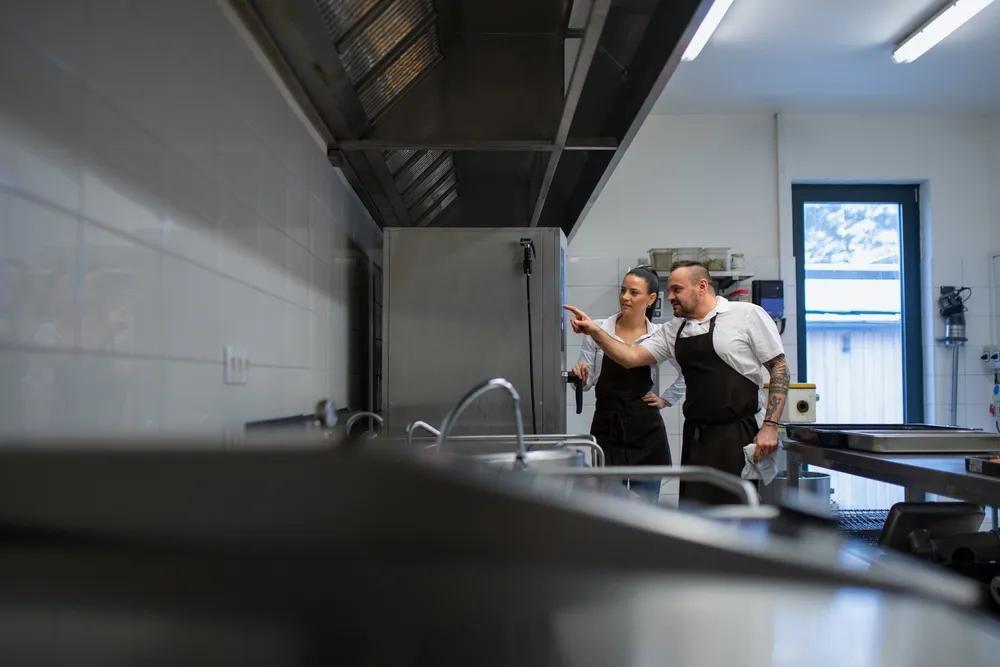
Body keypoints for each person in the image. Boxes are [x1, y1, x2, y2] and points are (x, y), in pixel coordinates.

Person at [564, 260, 789, 506]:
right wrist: (595, 331)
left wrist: (770, 426)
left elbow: (779, 368)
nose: (670, 296)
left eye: (676, 289)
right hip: (696, 436)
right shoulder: (674, 330)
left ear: (701, 286)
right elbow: (630, 358)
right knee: (694, 512)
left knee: (736, 511)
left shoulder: (745, 315)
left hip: (737, 433)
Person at [570, 266, 684, 504]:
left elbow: (689, 372)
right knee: (610, 507)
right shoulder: (598, 329)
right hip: (607, 425)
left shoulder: (659, 334)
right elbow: (587, 382)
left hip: (646, 430)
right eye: (623, 290)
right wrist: (580, 375)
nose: (625, 297)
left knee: (646, 509)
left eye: (633, 292)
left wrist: (666, 399)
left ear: (651, 299)